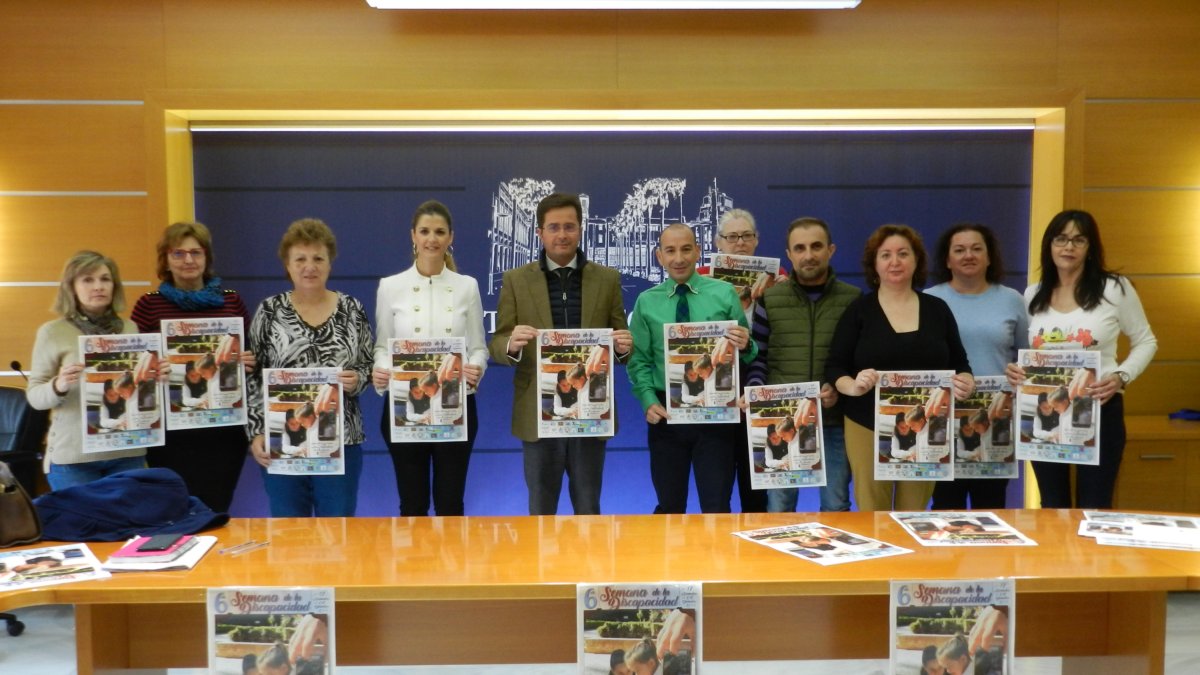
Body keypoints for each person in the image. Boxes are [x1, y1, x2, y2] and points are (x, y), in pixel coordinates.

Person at [490, 192, 633, 515]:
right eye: (553, 227)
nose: (562, 234)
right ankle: (541, 567)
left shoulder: (607, 279)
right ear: (540, 232)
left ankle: (587, 568)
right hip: (538, 413)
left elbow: (620, 338)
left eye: (569, 226)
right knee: (540, 511)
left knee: (588, 508)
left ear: (580, 229)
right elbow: (497, 343)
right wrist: (511, 345)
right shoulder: (516, 281)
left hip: (591, 411)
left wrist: (625, 346)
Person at [1005, 210, 1157, 508]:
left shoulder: (1115, 288)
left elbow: (1146, 341)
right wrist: (1015, 370)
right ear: (1049, 245)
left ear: (1091, 248)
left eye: (1078, 239)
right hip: (1044, 410)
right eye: (1061, 239)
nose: (1069, 247)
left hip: (1100, 409)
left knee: (1095, 506)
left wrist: (1121, 376)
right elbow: (1026, 351)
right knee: (1052, 505)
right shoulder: (1033, 294)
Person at [826, 224, 974, 511]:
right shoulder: (859, 310)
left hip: (926, 424)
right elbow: (835, 366)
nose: (895, 261)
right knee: (872, 512)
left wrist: (966, 381)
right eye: (886, 255)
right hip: (866, 424)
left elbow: (960, 364)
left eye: (903, 254)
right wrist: (853, 386)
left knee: (915, 512)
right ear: (874, 264)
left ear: (916, 260)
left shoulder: (937, 309)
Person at [247, 218, 373, 517]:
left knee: (337, 535)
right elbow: (252, 376)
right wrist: (256, 432)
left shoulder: (352, 309)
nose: (309, 266)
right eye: (300, 259)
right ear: (287, 265)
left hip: (341, 444)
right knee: (290, 538)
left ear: (330, 263)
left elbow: (369, 364)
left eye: (318, 258)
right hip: (282, 442)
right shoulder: (269, 311)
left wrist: (358, 380)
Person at [628, 223, 757, 514]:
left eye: (686, 249)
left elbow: (748, 354)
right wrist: (648, 401)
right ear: (658, 256)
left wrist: (747, 344)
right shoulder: (646, 302)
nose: (679, 258)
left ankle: (715, 560)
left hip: (717, 417)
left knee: (716, 507)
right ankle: (669, 561)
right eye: (670, 251)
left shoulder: (724, 294)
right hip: (667, 416)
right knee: (670, 508)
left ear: (698, 252)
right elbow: (639, 362)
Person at [371, 200, 487, 517]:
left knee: (451, 503)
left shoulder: (467, 286)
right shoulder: (390, 286)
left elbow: (478, 346)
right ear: (413, 236)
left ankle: (452, 567)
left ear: (451, 237)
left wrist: (475, 367)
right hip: (404, 406)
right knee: (413, 503)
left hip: (456, 406)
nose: (431, 239)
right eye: (424, 231)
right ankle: (415, 567)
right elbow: (382, 347)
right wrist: (380, 371)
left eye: (439, 232)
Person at [130, 221, 254, 512]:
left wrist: (248, 361)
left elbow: (249, 352)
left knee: (217, 508)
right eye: (178, 253)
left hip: (223, 430)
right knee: (174, 509)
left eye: (196, 253)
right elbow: (132, 366)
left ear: (206, 258)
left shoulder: (231, 300)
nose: (188, 260)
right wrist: (149, 369)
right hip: (171, 433)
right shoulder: (148, 305)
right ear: (166, 259)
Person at [747, 216, 861, 513]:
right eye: (800, 248)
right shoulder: (770, 299)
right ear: (789, 254)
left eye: (816, 246)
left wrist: (840, 387)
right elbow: (757, 357)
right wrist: (757, 392)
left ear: (831, 250)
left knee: (836, 505)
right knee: (779, 508)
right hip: (779, 420)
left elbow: (858, 363)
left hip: (834, 420)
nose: (808, 255)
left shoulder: (853, 299)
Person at [26, 251, 156, 490]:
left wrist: (156, 376)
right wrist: (59, 385)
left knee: (131, 527)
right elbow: (35, 397)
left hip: (126, 453)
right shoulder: (53, 331)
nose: (98, 286)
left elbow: (137, 389)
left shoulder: (130, 327)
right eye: (87, 280)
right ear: (71, 287)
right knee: (83, 527)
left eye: (105, 279)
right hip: (74, 460)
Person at [926, 223, 1027, 510]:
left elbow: (1028, 354)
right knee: (945, 508)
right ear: (947, 260)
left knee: (992, 507)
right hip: (943, 418)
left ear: (989, 256)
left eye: (976, 249)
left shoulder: (1012, 299)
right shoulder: (930, 300)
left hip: (995, 417)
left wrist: (1019, 372)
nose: (968, 255)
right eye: (959, 250)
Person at [695, 208, 783, 513]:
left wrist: (778, 296)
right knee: (715, 497)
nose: (740, 243)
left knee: (756, 497)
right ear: (718, 242)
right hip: (715, 396)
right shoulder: (700, 280)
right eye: (732, 237)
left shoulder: (780, 281)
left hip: (762, 392)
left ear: (757, 240)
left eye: (746, 236)